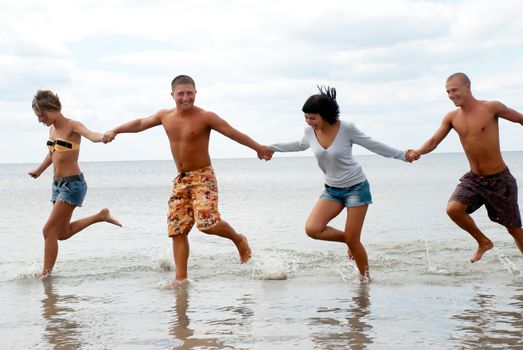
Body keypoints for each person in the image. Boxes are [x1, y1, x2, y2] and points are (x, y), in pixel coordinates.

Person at [103, 75, 273, 282]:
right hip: (181, 180)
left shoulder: (206, 117)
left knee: (207, 224)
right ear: (172, 95)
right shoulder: (165, 116)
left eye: (189, 93)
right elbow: (140, 123)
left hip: (203, 176)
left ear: (195, 93)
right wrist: (116, 130)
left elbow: (232, 133)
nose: (185, 97)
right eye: (181, 93)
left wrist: (258, 148)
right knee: (177, 229)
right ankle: (180, 280)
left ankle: (239, 240)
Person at [269, 86, 418, 279]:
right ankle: (350, 241)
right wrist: (272, 148)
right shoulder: (309, 132)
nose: (309, 122)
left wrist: (403, 155)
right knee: (313, 229)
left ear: (325, 114)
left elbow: (373, 144)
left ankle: (365, 281)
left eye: (313, 118)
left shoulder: (346, 128)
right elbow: (299, 145)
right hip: (331, 190)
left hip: (356, 188)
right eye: (306, 117)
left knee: (353, 239)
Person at [413, 72, 523, 263]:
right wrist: (417, 152)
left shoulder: (491, 107)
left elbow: (520, 118)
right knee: (453, 210)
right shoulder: (452, 117)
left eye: (454, 90)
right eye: (447, 92)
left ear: (467, 87)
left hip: (499, 179)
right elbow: (433, 141)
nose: (450, 95)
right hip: (474, 179)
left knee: (514, 229)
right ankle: (483, 242)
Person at [29, 90, 122, 278]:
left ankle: (45, 276)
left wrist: (102, 137)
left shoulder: (72, 126)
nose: (40, 119)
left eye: (41, 115)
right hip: (57, 186)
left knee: (48, 231)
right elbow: (52, 153)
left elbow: (91, 134)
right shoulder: (52, 130)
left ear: (52, 109)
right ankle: (101, 216)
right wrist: (39, 170)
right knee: (61, 234)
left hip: (73, 185)